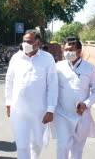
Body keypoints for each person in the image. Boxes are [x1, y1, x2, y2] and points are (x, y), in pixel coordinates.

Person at [5, 30, 58, 159]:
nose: (25, 44)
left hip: (39, 111)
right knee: (22, 144)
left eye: (29, 42)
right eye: (24, 41)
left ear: (38, 43)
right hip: (19, 110)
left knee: (36, 143)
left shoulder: (47, 58)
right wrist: (8, 103)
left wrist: (50, 109)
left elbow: (52, 85)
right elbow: (9, 80)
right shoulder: (16, 57)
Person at [52, 37, 95, 159]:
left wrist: (86, 103)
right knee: (62, 145)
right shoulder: (58, 66)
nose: (67, 52)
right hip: (62, 114)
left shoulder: (89, 68)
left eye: (71, 50)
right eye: (66, 49)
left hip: (81, 115)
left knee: (77, 150)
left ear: (79, 51)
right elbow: (51, 87)